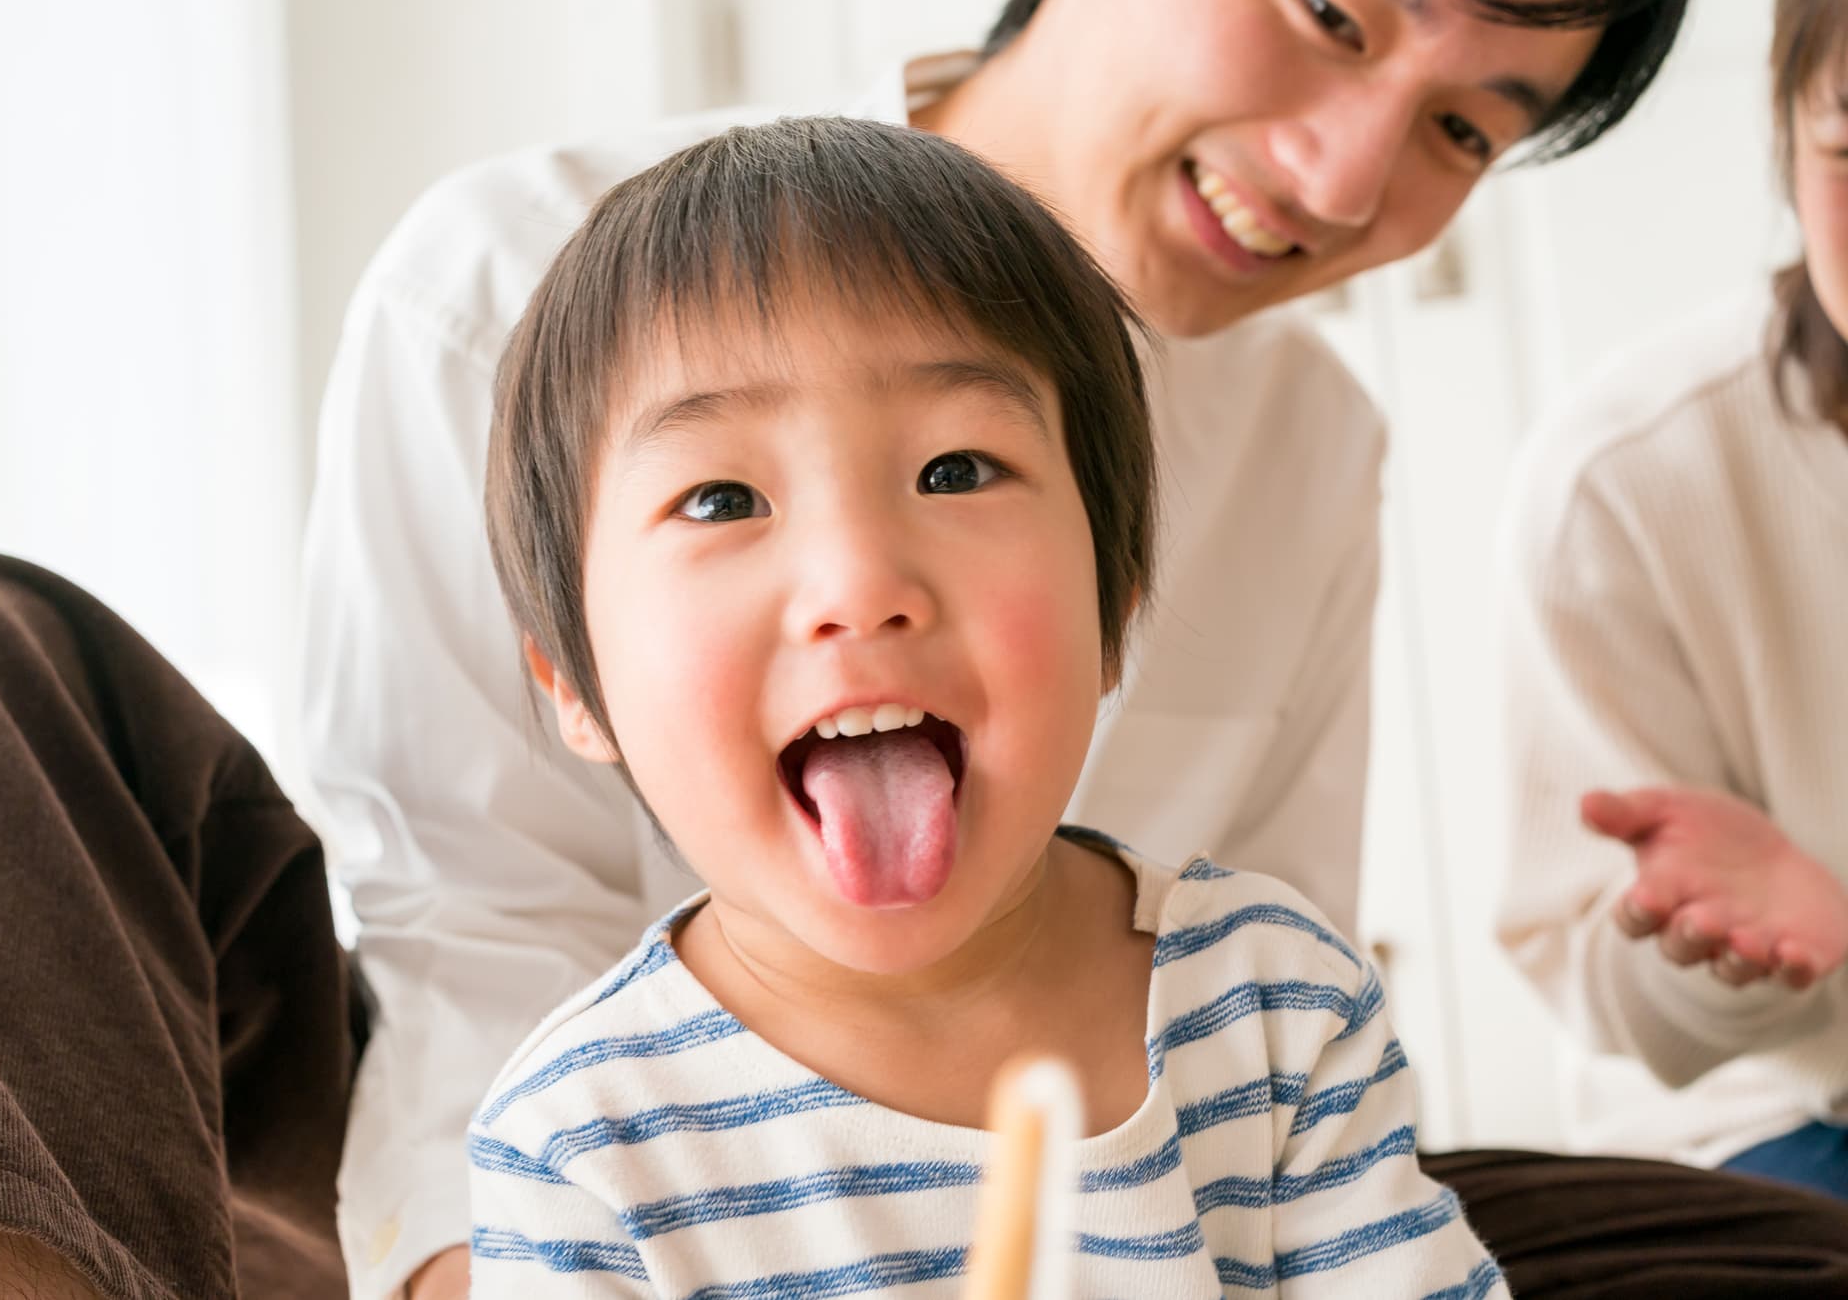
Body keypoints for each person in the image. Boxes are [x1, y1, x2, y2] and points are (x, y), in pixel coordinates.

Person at [0, 0, 1844, 1298]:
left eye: (1466, 132)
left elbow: (1262, 984)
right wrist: (495, 1256)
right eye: (1329, 9)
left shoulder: (1316, 439)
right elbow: (466, 910)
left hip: (1115, 1199)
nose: (1345, 174)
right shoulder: (519, 268)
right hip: (514, 1187)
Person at [464, 113, 1504, 1297]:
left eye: (952, 471)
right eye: (720, 499)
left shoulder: (1269, 1004)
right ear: (573, 682)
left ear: (1113, 605)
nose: (857, 584)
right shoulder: (577, 1142)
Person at [1495, 0, 1848, 1205]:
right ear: (1783, 135)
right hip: (1783, 1108)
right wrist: (1732, 950)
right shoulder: (1627, 480)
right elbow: (1605, 993)